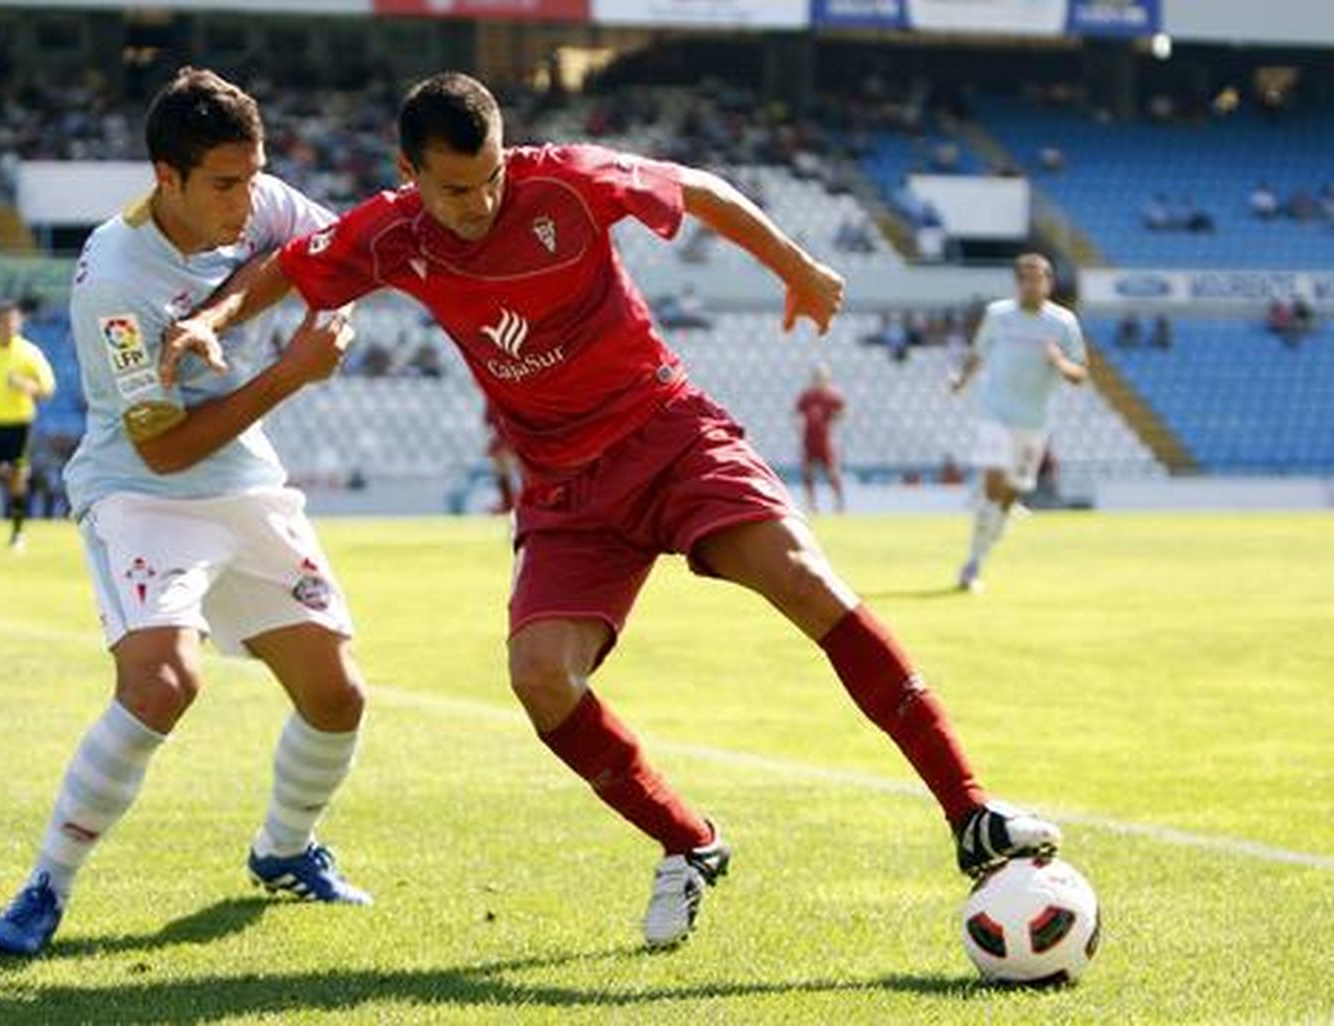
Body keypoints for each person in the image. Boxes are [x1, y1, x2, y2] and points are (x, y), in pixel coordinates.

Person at [165, 72, 1062, 949]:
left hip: (669, 435)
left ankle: (970, 812)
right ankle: (688, 842)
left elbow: (699, 189)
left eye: (489, 182)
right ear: (410, 175)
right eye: (454, 191)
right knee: (539, 676)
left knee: (804, 580)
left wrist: (795, 266)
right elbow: (286, 267)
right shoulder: (390, 233)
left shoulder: (564, 177)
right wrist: (214, 320)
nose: (478, 206)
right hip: (565, 493)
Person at [0, 67, 372, 958]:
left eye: (254, 176)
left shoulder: (259, 196)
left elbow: (340, 252)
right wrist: (290, 371)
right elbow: (163, 449)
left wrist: (316, 303)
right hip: (143, 491)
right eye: (225, 186)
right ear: (168, 178)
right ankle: (48, 883)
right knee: (165, 682)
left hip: (244, 480)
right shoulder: (116, 282)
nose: (250, 202)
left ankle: (284, 851)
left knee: (337, 695)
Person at [949, 253, 1089, 591]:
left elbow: (1080, 373)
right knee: (994, 481)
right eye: (1025, 278)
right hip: (995, 412)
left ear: (1049, 283)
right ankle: (972, 563)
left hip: (1034, 421)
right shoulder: (998, 316)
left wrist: (1059, 362)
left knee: (1009, 495)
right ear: (1017, 283)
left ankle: (982, 548)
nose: (1031, 284)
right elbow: (978, 353)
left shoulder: (1063, 323)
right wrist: (961, 381)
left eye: (1038, 278)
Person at [0, 300, 56, 549]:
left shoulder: (30, 353)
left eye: (12, 321)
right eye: (3, 321)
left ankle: (18, 531)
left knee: (18, 478)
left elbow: (49, 389)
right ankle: (2, 484)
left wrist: (26, 385)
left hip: (20, 422)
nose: (8, 326)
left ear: (19, 323)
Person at [795, 363, 846, 514]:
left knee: (832, 472)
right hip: (809, 440)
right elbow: (797, 414)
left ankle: (838, 504)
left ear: (827, 379)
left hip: (825, 440)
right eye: (817, 377)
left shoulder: (832, 396)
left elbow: (843, 411)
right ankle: (811, 505)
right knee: (808, 473)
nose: (819, 380)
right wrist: (799, 427)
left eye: (822, 377)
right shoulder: (807, 396)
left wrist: (835, 419)